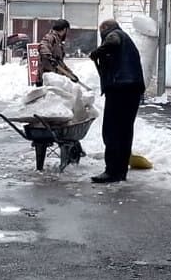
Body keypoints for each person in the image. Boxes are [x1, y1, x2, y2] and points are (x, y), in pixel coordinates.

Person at [89, 19, 145, 184]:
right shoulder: (126, 39)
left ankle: (111, 171)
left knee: (112, 130)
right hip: (132, 89)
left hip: (120, 88)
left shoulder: (115, 34)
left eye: (101, 31)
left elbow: (112, 41)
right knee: (125, 131)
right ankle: (120, 171)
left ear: (105, 29)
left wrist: (98, 52)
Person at [38, 19, 79, 85]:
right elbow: (43, 46)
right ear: (64, 30)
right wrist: (49, 57)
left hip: (54, 79)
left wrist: (70, 74)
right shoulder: (50, 37)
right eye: (67, 31)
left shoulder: (58, 42)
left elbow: (59, 63)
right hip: (46, 79)